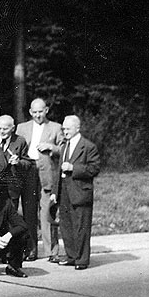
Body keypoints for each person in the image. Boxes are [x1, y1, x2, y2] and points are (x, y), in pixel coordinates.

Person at [16, 98, 64, 261]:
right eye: (34, 112)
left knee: (47, 212)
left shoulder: (55, 127)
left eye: (40, 112)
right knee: (29, 213)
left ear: (46, 111)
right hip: (28, 171)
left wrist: (52, 147)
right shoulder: (22, 128)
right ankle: (30, 250)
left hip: (47, 173)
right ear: (30, 112)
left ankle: (52, 252)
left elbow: (65, 149)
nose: (37, 115)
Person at [52, 115, 100, 270]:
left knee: (81, 226)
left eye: (68, 129)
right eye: (63, 129)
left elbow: (94, 168)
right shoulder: (64, 146)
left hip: (80, 192)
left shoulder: (88, 146)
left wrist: (74, 168)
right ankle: (71, 256)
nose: (65, 131)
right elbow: (58, 171)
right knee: (66, 226)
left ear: (77, 128)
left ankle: (82, 260)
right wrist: (55, 192)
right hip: (64, 192)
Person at [0, 115, 36, 258]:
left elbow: (28, 162)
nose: (2, 131)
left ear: (13, 128)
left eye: (5, 129)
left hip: (12, 187)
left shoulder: (20, 141)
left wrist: (18, 162)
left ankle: (12, 253)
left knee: (12, 221)